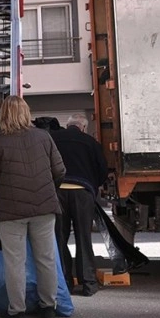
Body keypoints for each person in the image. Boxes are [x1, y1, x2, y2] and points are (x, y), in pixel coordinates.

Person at [0, 96, 66, 318]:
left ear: (3, 116)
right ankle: (49, 308)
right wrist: (47, 189)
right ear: (27, 113)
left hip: (11, 211)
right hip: (44, 207)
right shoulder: (43, 137)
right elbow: (60, 170)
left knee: (15, 262)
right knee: (46, 259)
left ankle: (16, 313)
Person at [50, 114, 108, 296]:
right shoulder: (90, 142)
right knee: (84, 238)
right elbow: (102, 171)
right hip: (83, 192)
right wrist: (92, 186)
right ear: (83, 127)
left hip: (57, 192)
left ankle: (64, 283)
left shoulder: (54, 139)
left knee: (59, 237)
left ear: (67, 126)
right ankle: (88, 284)